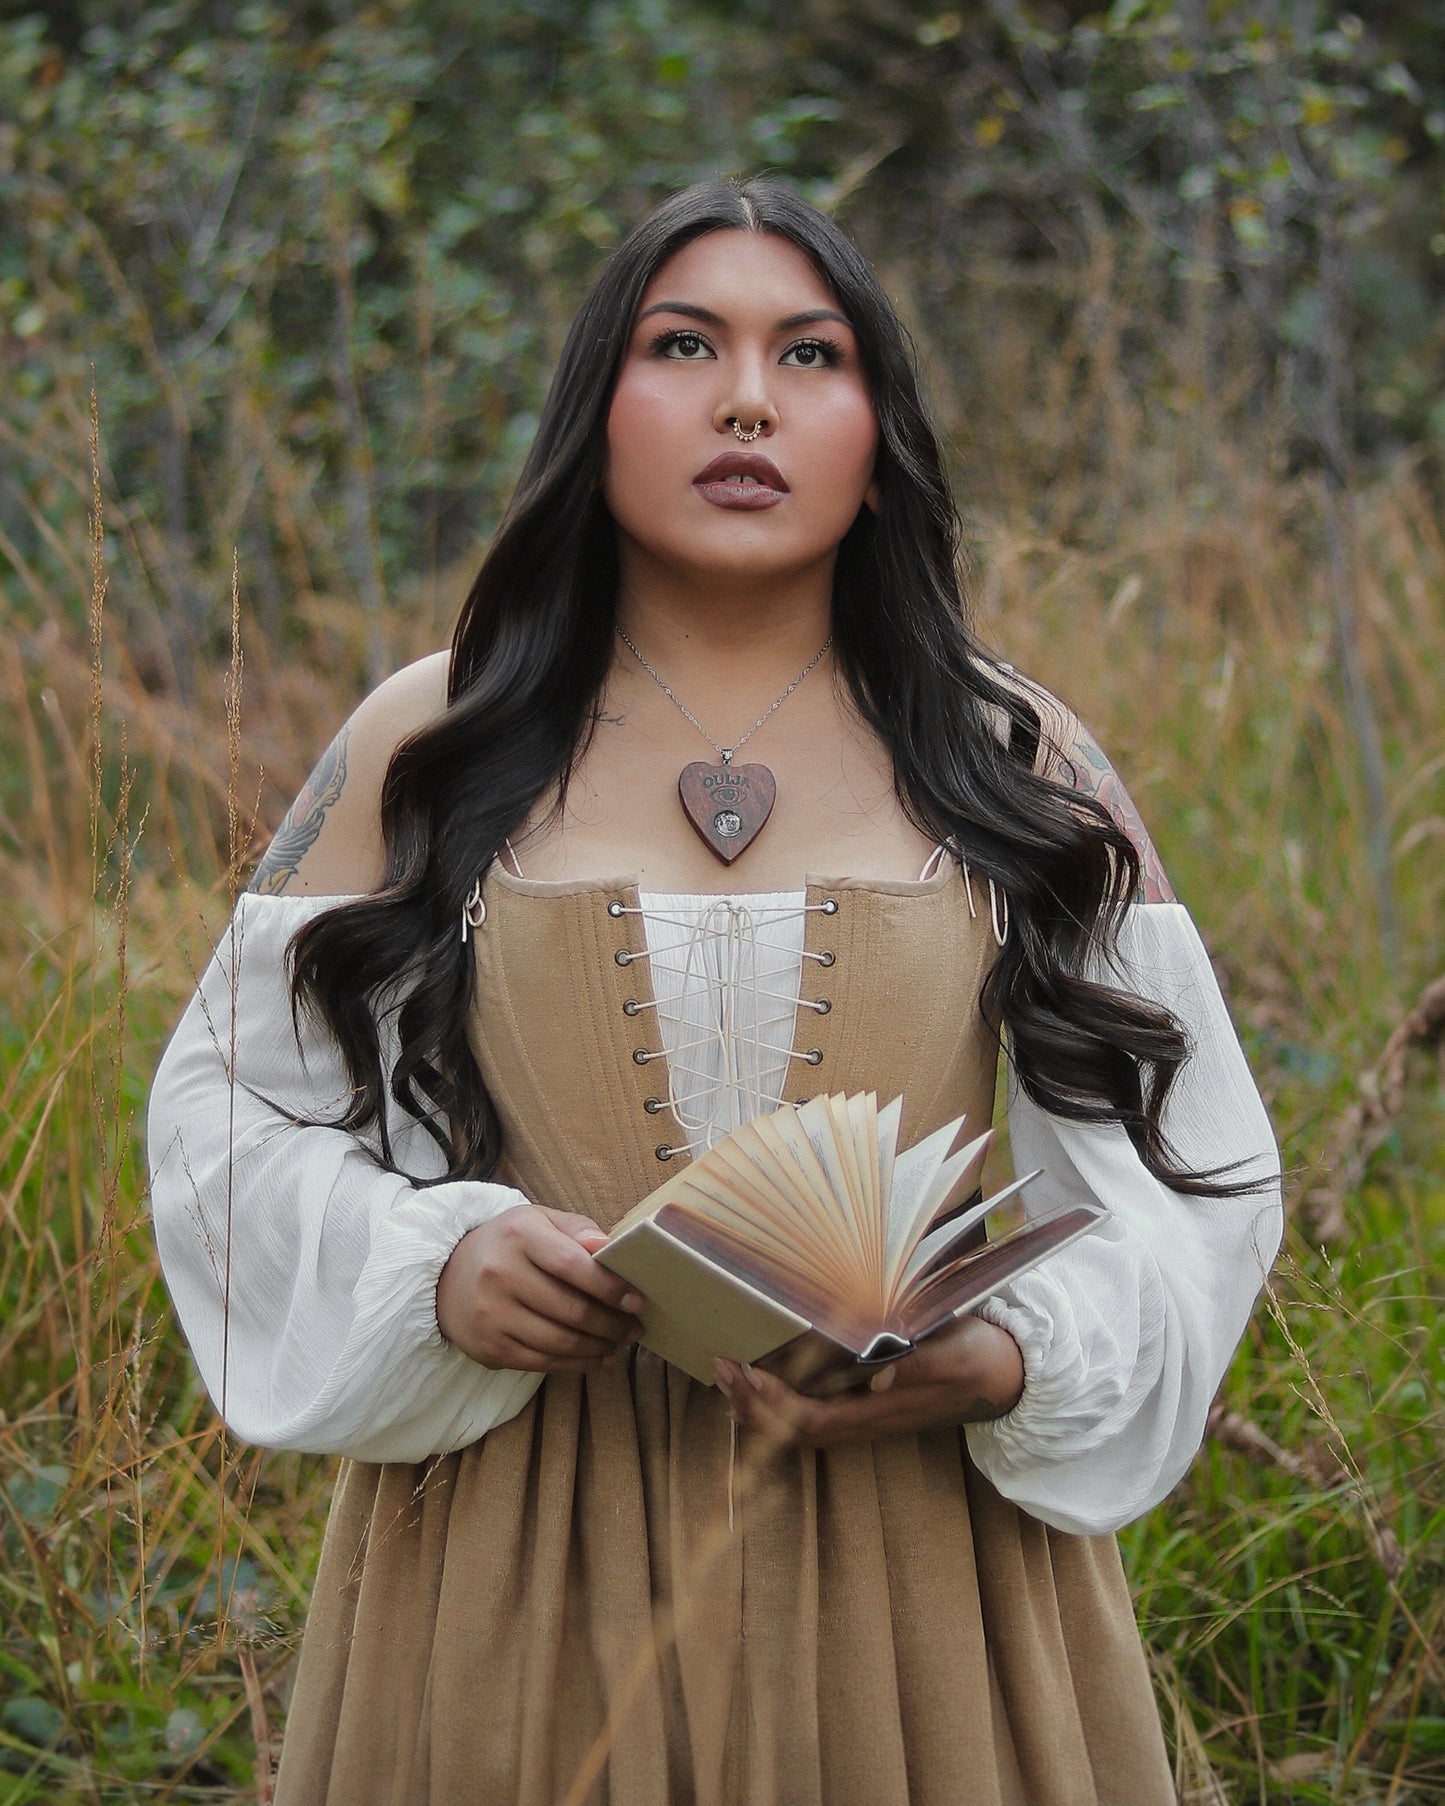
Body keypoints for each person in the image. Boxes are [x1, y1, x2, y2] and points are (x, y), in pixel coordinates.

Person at [148, 177, 1283, 1806]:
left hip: (929, 1594)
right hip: (503, 1574)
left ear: (876, 436)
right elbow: (222, 1127)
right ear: (595, 407)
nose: (748, 395)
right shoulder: (431, 735)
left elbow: (1201, 1183)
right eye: (686, 344)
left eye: (809, 355)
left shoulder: (1016, 756)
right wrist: (442, 1266)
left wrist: (1011, 1355)